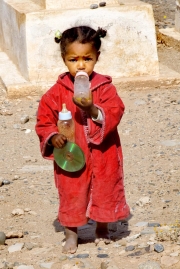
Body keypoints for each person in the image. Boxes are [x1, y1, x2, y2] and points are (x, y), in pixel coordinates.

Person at [35, 25, 130, 254]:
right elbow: (44, 120)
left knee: (104, 187)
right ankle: (71, 234)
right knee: (71, 191)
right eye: (73, 59)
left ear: (97, 57)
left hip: (103, 152)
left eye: (87, 58)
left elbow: (116, 110)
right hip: (71, 153)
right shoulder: (55, 93)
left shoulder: (104, 88)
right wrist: (53, 136)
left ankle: (102, 229)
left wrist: (93, 109)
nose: (80, 65)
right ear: (64, 59)